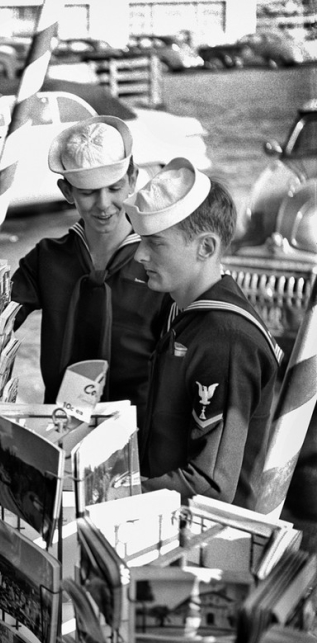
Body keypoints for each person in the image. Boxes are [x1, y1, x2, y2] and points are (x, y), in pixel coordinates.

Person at [123, 157, 283, 508]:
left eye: (156, 243)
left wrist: (113, 493)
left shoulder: (225, 339)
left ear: (206, 247)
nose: (139, 255)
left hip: (206, 534)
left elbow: (210, 484)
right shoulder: (183, 310)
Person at [10, 116, 167, 430]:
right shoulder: (48, 259)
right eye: (88, 192)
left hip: (142, 433)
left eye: (114, 188)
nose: (104, 204)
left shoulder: (164, 261)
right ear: (66, 190)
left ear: (134, 178)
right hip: (63, 428)